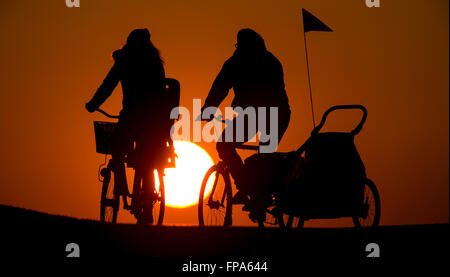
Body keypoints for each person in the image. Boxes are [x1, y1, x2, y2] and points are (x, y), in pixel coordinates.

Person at [201, 28, 291, 215]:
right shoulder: (266, 60)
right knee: (251, 150)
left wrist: (209, 110)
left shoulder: (240, 63)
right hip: (269, 114)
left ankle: (250, 187)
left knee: (236, 147)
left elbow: (220, 88)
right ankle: (253, 190)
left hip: (267, 114)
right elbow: (220, 87)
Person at [85, 28, 167, 224]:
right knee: (146, 162)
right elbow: (162, 93)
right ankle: (147, 208)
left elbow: (108, 85)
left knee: (118, 150)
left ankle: (123, 190)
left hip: (130, 118)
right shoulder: (155, 63)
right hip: (153, 122)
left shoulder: (124, 62)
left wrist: (93, 104)